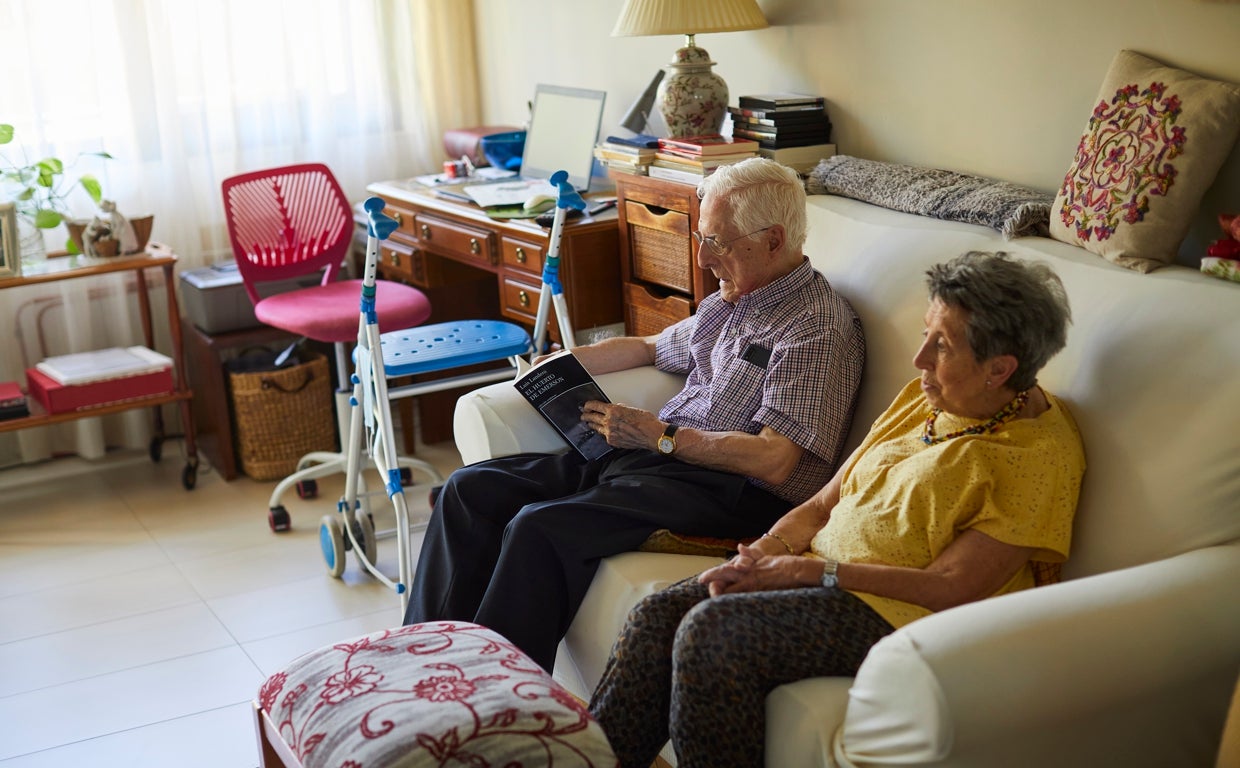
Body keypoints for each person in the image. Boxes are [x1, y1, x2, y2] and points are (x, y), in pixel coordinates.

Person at [588, 251, 1086, 768]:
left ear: (999, 369)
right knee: (657, 614)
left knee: (713, 634)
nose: (919, 360)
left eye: (942, 347)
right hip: (819, 572)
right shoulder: (926, 398)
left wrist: (811, 571)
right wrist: (758, 557)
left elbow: (952, 586)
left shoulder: (1036, 456)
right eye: (925, 334)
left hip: (898, 613)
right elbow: (823, 505)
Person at [402, 157, 866, 672]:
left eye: (718, 242)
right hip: (654, 462)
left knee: (539, 528)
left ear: (774, 239)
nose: (703, 256)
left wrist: (663, 436)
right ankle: (422, 667)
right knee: (467, 491)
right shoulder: (730, 301)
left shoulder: (815, 328)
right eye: (702, 237)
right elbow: (648, 347)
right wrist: (564, 362)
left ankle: (497, 705)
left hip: (731, 493)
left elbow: (777, 461)